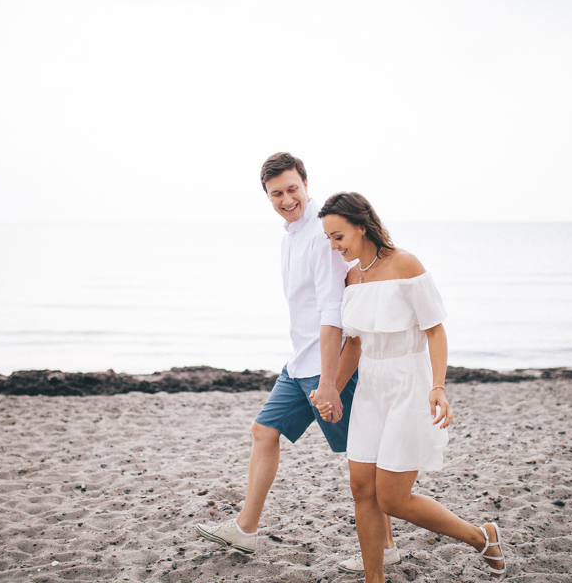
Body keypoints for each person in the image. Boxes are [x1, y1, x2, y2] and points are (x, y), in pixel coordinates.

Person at [195, 153, 399, 574]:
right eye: (277, 193)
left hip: (324, 368)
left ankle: (388, 544)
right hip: (299, 363)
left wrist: (330, 382)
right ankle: (246, 529)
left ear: (306, 183)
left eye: (292, 189)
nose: (287, 199)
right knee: (263, 431)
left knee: (363, 462)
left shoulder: (320, 236)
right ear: (266, 196)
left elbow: (331, 312)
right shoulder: (291, 235)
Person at [314, 191, 507, 581]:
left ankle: (480, 536)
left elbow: (435, 330)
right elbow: (354, 343)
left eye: (338, 237)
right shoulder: (352, 276)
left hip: (409, 383)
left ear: (361, 226)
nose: (334, 247)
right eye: (329, 239)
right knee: (361, 488)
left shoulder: (406, 264)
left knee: (392, 497)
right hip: (371, 387)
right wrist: (332, 388)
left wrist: (439, 386)